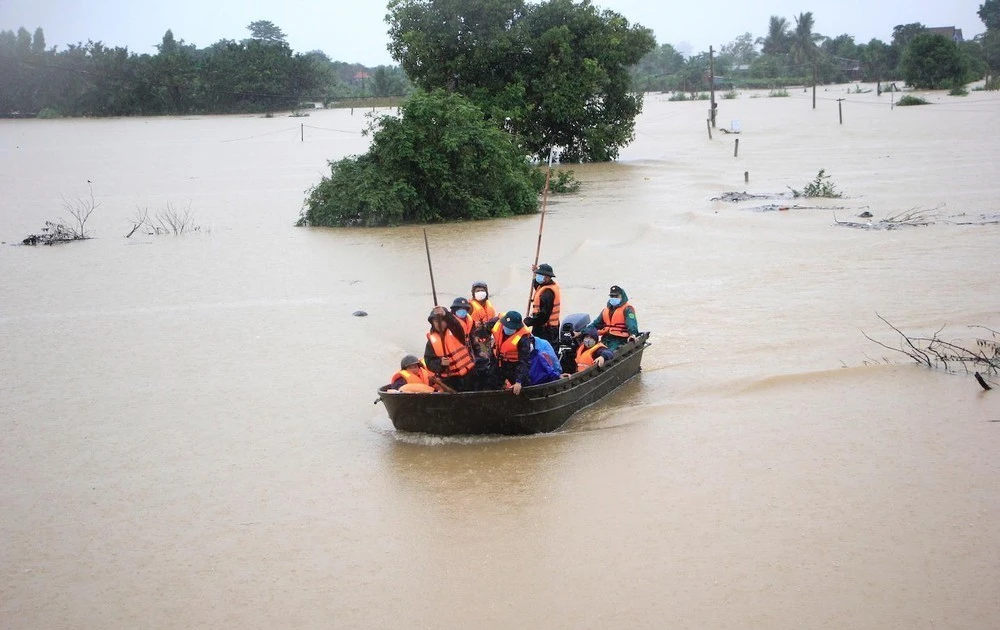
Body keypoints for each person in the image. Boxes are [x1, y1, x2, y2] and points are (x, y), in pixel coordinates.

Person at [423, 306, 477, 392]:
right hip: (450, 380)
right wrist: (441, 363)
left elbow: (455, 324)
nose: (439, 324)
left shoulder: (456, 332)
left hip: (469, 376)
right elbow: (429, 362)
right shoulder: (431, 342)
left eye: (442, 320)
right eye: (436, 321)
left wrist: (446, 314)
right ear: (433, 323)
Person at [491, 311, 534, 395]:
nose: (507, 328)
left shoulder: (523, 338)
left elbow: (524, 361)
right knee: (491, 382)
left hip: (515, 365)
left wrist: (519, 381)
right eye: (506, 326)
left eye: (510, 327)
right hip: (498, 362)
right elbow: (484, 328)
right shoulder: (497, 324)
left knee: (522, 388)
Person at [590, 285, 639, 351]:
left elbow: (632, 324)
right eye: (612, 296)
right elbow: (596, 324)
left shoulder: (627, 309)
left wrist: (632, 334)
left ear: (622, 296)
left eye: (616, 296)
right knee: (591, 351)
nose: (614, 298)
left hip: (621, 340)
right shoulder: (606, 310)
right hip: (606, 339)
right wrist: (583, 332)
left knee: (607, 354)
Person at [525, 262, 561, 351]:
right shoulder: (543, 285)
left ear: (548, 277)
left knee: (544, 352)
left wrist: (529, 321)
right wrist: (535, 272)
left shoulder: (548, 293)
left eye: (540, 275)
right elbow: (537, 284)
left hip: (547, 329)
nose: (538, 277)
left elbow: (544, 316)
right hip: (543, 327)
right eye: (538, 274)